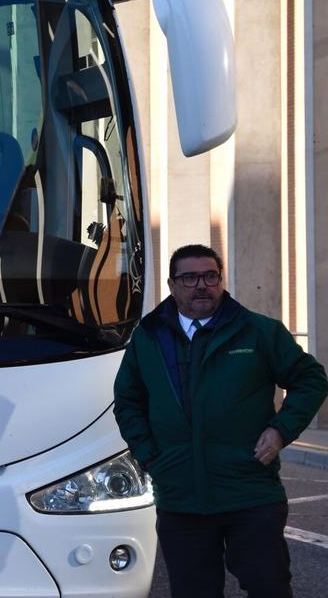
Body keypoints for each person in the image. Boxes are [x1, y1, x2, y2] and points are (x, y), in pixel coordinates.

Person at [113, 244, 328, 598]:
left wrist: (280, 430)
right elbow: (128, 401)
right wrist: (151, 457)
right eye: (190, 278)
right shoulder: (149, 338)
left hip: (249, 492)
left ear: (220, 280)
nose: (202, 285)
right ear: (171, 284)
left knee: (268, 586)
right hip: (181, 498)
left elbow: (311, 379)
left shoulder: (258, 332)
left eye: (210, 276)